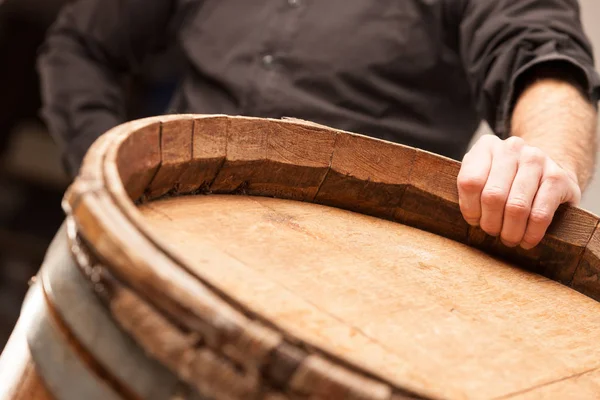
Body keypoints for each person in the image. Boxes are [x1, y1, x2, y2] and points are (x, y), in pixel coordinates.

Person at [38, 0, 599, 250]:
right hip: (153, 226)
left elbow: (541, 57)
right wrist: (107, 175)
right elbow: (82, 45)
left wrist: (545, 158)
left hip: (347, 275)